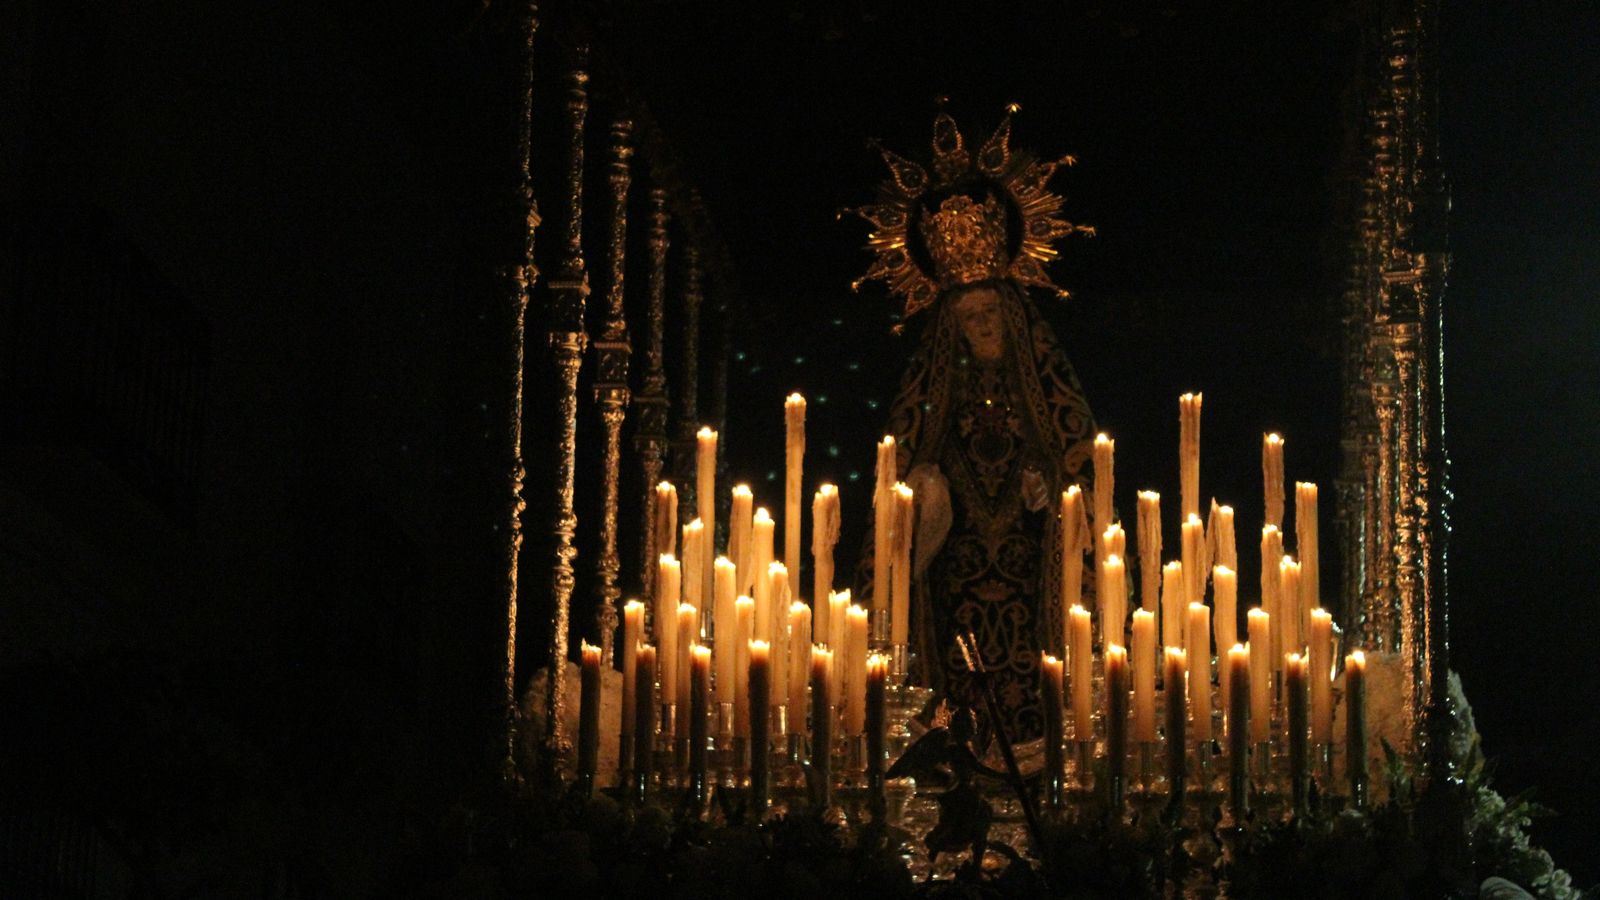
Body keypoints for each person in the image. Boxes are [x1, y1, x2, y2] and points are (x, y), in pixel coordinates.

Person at [853, 109, 1096, 744]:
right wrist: (921, 489)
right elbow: (900, 470)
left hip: (1028, 576)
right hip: (953, 577)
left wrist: (1058, 489)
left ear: (1012, 316)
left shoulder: (1045, 389)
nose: (981, 328)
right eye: (968, 319)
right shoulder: (934, 388)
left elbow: (1080, 463)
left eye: (990, 314)